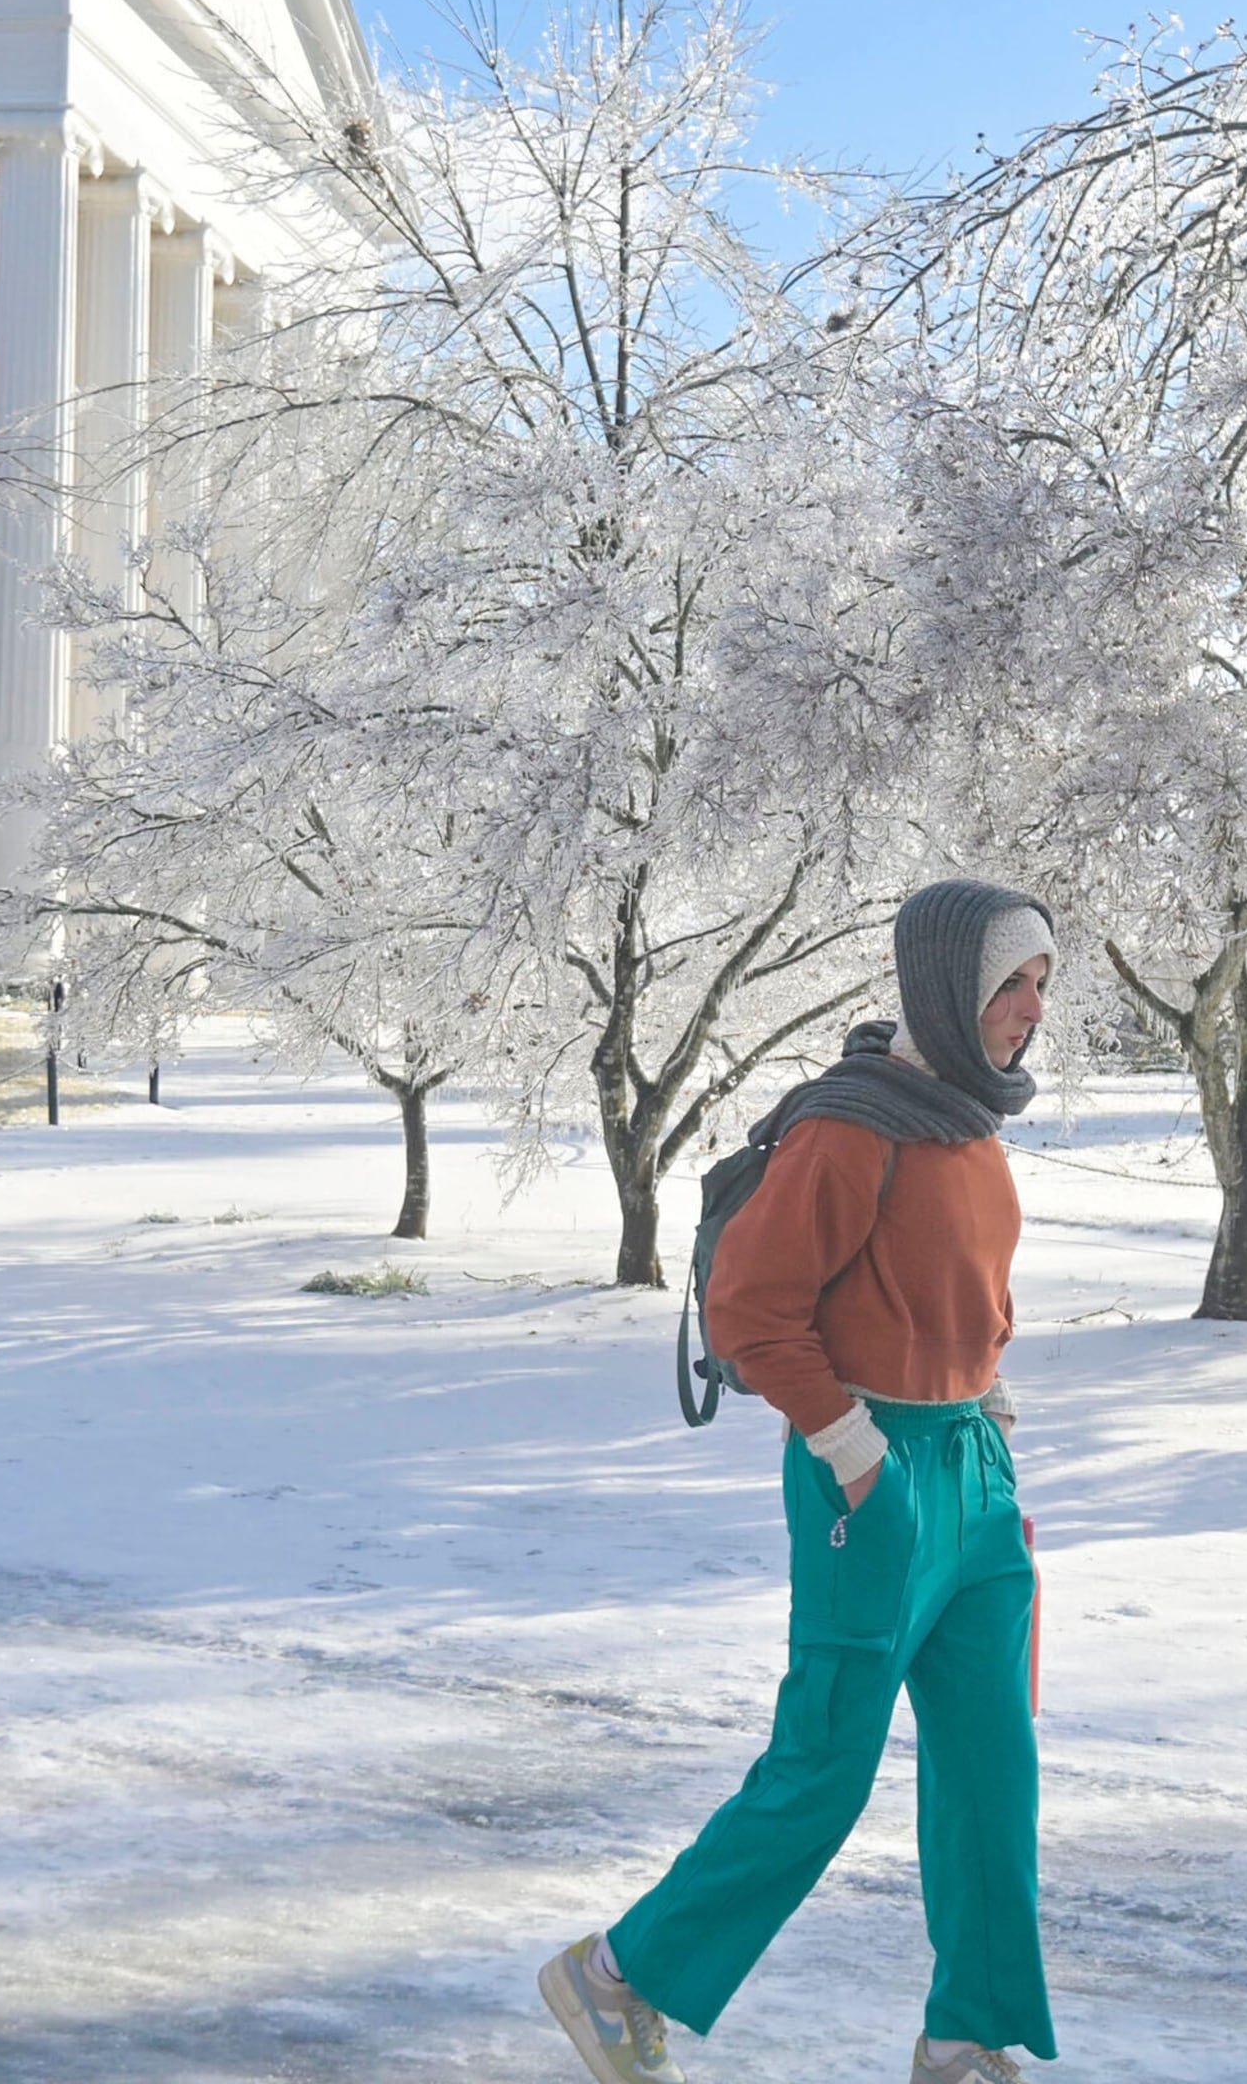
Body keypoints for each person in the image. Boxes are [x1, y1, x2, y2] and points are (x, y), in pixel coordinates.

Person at [540, 879, 1060, 2084]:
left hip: (973, 1482)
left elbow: (951, 1291)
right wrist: (853, 1447)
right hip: (865, 1483)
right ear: (946, 981)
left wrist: (981, 1400)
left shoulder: (967, 1125)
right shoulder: (854, 1125)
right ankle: (616, 1976)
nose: (1032, 1008)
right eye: (1011, 982)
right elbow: (752, 1310)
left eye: (1041, 984)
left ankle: (966, 2035)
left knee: (993, 1768)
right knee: (825, 1766)